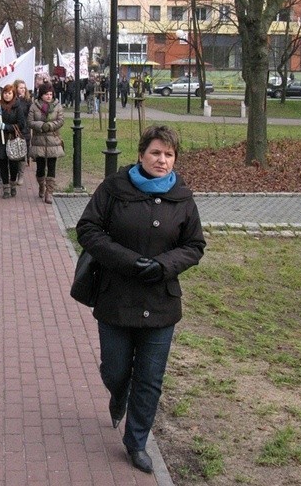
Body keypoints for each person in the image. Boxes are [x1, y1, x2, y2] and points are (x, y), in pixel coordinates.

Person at [76, 125, 206, 474]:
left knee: (149, 377)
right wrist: (128, 261)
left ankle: (136, 442)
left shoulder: (182, 196)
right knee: (115, 369)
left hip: (161, 301)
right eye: (156, 152)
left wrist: (164, 265)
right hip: (116, 298)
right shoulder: (114, 189)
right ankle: (119, 396)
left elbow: (194, 246)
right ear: (141, 154)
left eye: (169, 154)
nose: (162, 160)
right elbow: (88, 229)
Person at [28, 81, 64, 204]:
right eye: (46, 94)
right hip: (39, 141)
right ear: (41, 95)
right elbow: (30, 122)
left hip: (53, 140)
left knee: (52, 167)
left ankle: (49, 192)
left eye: (50, 94)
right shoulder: (34, 106)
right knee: (40, 168)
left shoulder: (57, 106)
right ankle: (41, 185)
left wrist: (50, 125)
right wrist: (41, 125)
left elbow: (60, 120)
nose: (49, 96)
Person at [0, 85, 27, 199]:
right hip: (0, 140)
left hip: (12, 139)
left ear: (13, 94)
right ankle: (5, 188)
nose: (7, 95)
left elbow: (21, 124)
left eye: (9, 93)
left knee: (13, 164)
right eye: (5, 93)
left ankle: (13, 184)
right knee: (2, 165)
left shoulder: (17, 107)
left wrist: (7, 127)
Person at [14, 80, 32, 186]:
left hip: (24, 130)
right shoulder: (12, 100)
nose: (23, 90)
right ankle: (14, 173)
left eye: (24, 88)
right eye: (20, 88)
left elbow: (30, 115)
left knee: (22, 154)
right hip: (14, 129)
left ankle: (20, 175)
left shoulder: (28, 101)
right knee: (14, 153)